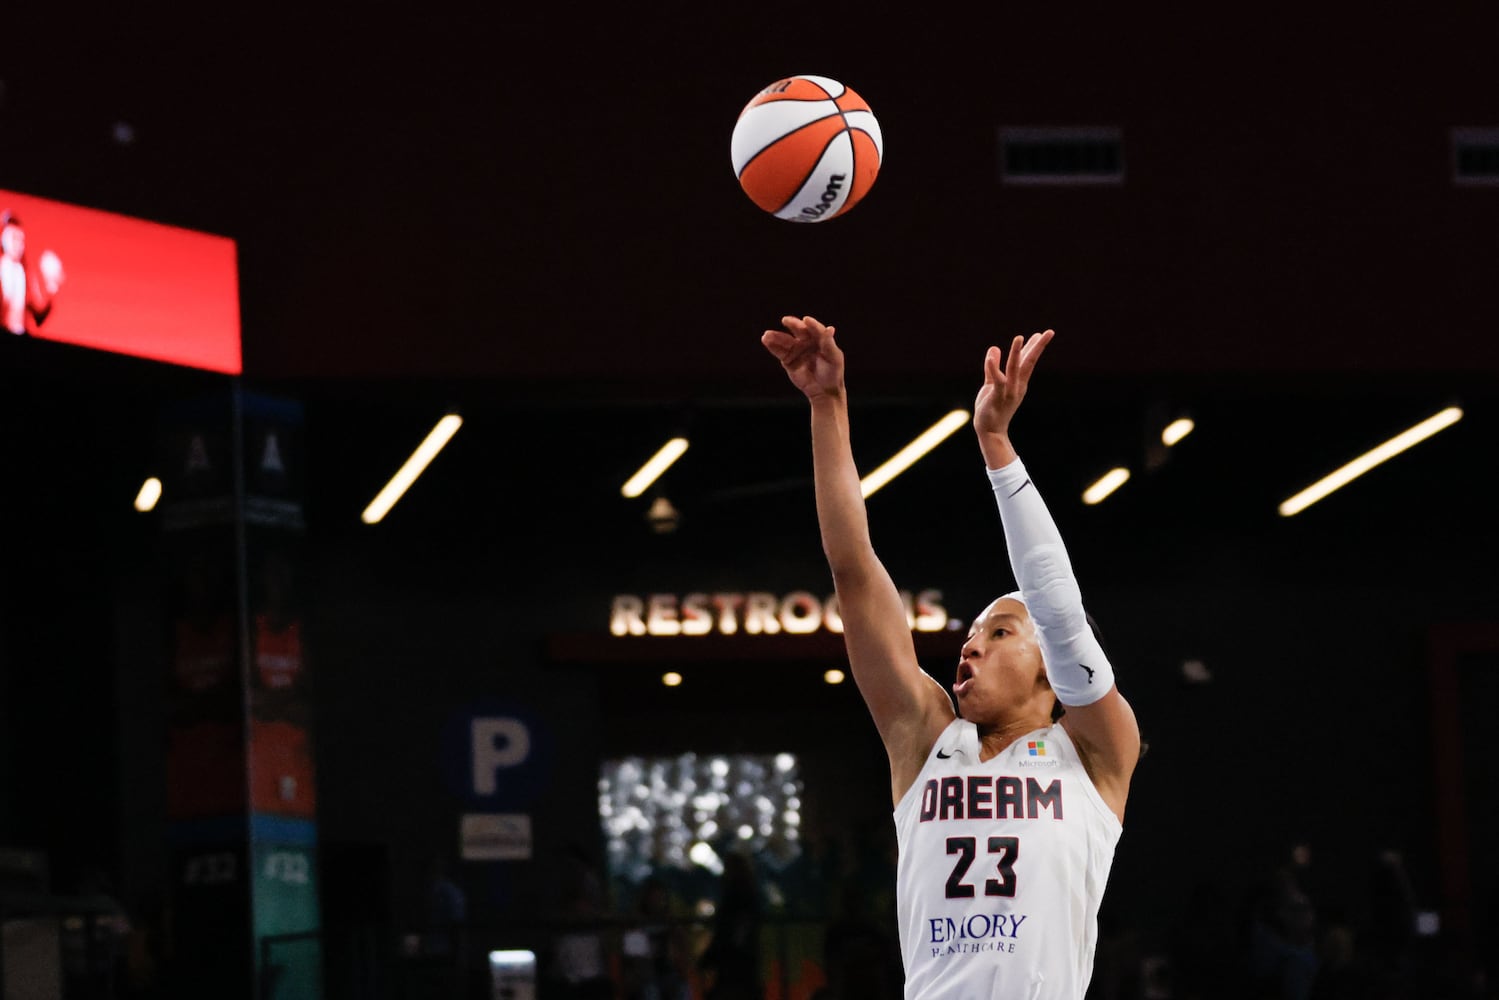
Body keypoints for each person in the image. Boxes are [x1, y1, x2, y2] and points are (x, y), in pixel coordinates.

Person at [761, 315, 1142, 999]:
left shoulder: (1095, 751)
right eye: (970, 633)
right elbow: (853, 570)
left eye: (999, 633)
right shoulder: (924, 736)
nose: (970, 644)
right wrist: (827, 405)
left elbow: (1054, 606)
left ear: (1052, 669)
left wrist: (994, 441)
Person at [0, 210, 65, 336]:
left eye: (20, 239)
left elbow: (38, 316)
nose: (17, 244)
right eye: (13, 237)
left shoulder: (25, 274)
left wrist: (51, 288)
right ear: (2, 238)